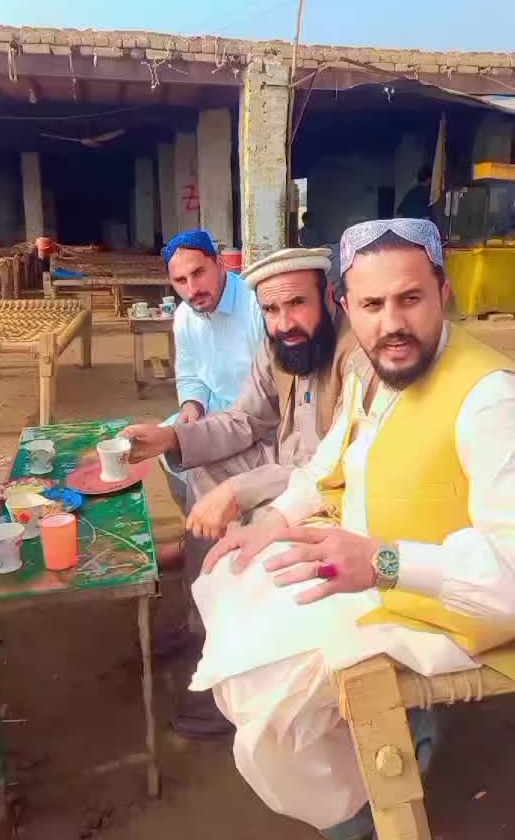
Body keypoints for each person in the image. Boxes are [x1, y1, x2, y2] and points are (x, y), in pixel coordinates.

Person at [192, 218, 515, 839]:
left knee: (266, 689)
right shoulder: (375, 373)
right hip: (369, 570)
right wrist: (275, 521)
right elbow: (326, 462)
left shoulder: (489, 399)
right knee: (235, 582)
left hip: (443, 607)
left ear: (443, 293)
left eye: (410, 298)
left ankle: (366, 801)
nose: (391, 324)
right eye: (372, 305)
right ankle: (363, 777)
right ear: (347, 308)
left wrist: (384, 562)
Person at [122, 247, 364, 738]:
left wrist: (240, 489)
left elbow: (329, 467)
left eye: (297, 303)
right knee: (201, 474)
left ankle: (237, 683)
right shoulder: (279, 348)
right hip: (283, 464)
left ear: (329, 298)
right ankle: (204, 627)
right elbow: (245, 419)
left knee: (243, 521)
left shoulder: (353, 358)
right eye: (272, 309)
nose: (284, 322)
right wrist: (171, 437)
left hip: (333, 489)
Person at [158, 230, 264, 509]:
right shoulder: (184, 316)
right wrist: (192, 405)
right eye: (181, 280)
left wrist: (217, 425)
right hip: (214, 410)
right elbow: (190, 374)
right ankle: (194, 519)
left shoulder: (256, 305)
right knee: (163, 443)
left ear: (219, 264)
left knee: (203, 466)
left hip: (258, 419)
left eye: (199, 273)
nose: (192, 289)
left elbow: (275, 390)